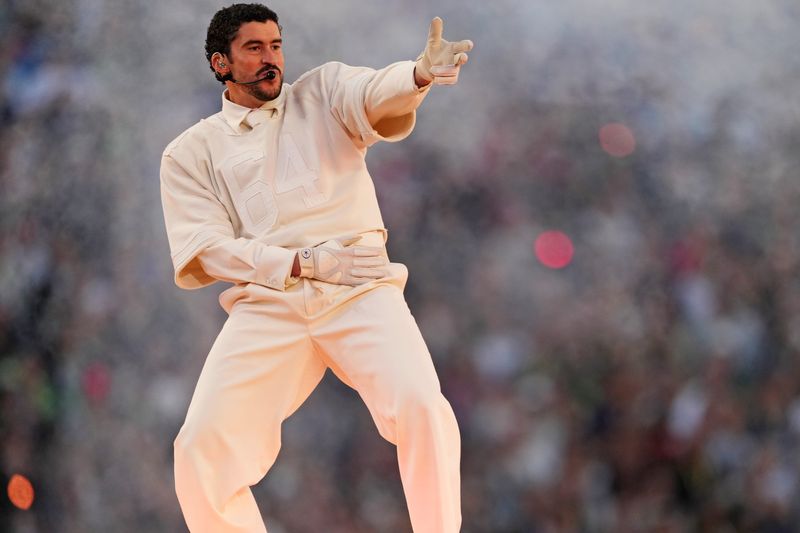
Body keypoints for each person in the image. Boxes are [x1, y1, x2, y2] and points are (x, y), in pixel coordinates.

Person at [159, 4, 473, 532]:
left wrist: (418, 74)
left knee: (422, 407)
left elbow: (372, 92)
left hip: (358, 284)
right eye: (253, 49)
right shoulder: (190, 152)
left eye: (275, 46)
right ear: (220, 63)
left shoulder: (322, 92)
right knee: (198, 448)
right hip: (270, 304)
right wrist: (297, 263)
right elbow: (207, 248)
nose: (270, 59)